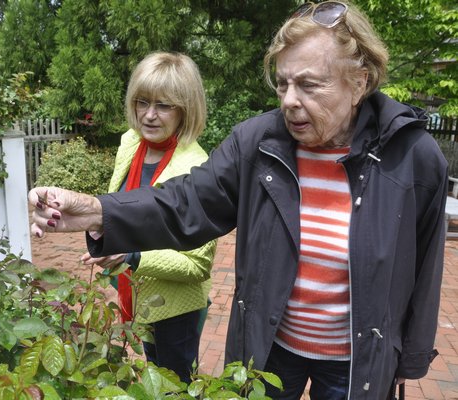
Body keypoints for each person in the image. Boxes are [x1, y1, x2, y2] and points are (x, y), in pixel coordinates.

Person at [29, 2, 447, 399]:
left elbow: (425, 268)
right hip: (268, 350)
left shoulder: (412, 156)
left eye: (308, 85)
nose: (288, 101)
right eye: (282, 83)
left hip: (355, 361)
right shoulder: (257, 143)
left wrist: (409, 360)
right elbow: (187, 202)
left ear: (359, 83)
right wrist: (98, 210)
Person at [79, 52, 216, 384]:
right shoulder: (131, 143)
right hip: (135, 292)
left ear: (186, 108)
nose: (149, 115)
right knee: (150, 374)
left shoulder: (199, 170)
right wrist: (102, 233)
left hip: (175, 309)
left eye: (164, 105)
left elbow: (198, 266)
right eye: (142, 102)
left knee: (173, 386)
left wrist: (132, 256)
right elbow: (123, 206)